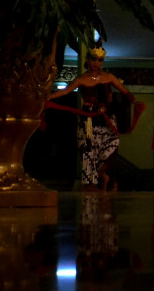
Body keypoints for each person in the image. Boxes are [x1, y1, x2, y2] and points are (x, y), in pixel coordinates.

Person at [47, 42, 143, 191]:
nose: (96, 63)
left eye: (99, 60)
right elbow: (65, 91)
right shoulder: (81, 79)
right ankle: (89, 185)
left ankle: (101, 175)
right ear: (87, 59)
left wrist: (133, 100)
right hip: (89, 120)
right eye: (93, 59)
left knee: (111, 147)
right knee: (88, 152)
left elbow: (125, 92)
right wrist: (46, 97)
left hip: (107, 120)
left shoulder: (109, 77)